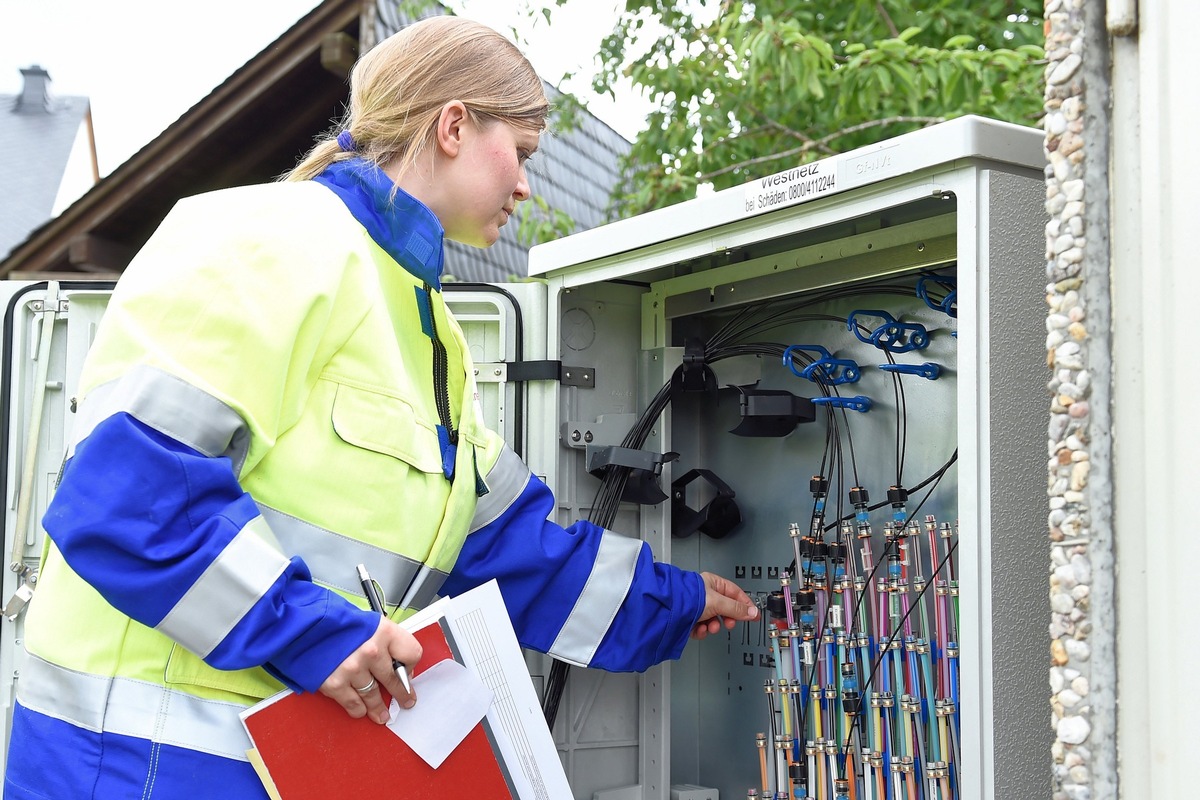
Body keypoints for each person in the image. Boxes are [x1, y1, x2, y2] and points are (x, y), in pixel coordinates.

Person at [2, 15, 758, 800]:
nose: (528, 185)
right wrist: (318, 634)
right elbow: (126, 495)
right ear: (454, 126)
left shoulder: (432, 332)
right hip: (135, 764)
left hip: (280, 768)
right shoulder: (265, 239)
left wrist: (675, 602)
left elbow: (501, 548)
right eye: (523, 153)